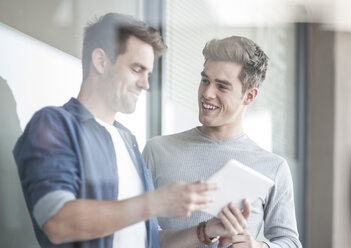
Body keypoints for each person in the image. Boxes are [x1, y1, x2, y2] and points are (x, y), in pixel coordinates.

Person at [13, 13, 250, 248]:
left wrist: (205, 230)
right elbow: (57, 222)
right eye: (137, 69)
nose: (145, 84)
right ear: (101, 61)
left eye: (148, 74)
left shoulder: (127, 140)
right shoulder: (54, 124)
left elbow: (150, 240)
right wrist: (154, 202)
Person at [143, 36, 302, 248]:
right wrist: (203, 231)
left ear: (249, 96)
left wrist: (257, 246)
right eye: (205, 80)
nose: (207, 93)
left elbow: (291, 242)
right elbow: (139, 235)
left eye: (222, 86)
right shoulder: (158, 151)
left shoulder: (273, 168)